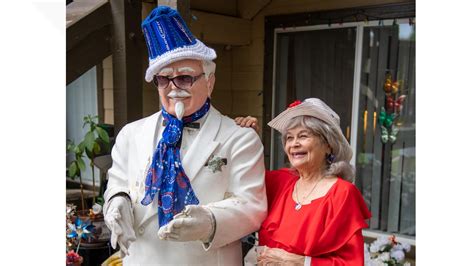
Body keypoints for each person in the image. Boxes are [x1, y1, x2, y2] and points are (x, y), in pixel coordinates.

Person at [103, 6, 267, 265]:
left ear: (210, 81)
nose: (173, 88)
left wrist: (210, 222)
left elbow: (252, 206)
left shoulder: (239, 138)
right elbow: (118, 182)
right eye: (164, 79)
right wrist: (117, 202)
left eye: (185, 78)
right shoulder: (131, 134)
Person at [235, 98, 371, 265]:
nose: (294, 144)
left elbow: (352, 263)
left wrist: (301, 262)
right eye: (289, 138)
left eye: (303, 136)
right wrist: (248, 138)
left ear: (328, 144)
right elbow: (241, 178)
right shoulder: (280, 182)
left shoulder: (342, 193)